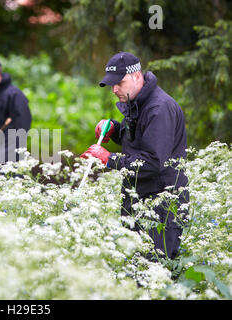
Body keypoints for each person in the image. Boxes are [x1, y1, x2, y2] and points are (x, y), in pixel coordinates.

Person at [81, 52, 189, 260]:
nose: (114, 90)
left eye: (119, 83)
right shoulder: (139, 102)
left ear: (137, 76)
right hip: (138, 202)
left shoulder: (159, 109)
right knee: (134, 274)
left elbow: (152, 162)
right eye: (112, 84)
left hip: (161, 209)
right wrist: (114, 129)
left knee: (153, 277)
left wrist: (109, 159)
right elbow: (142, 141)